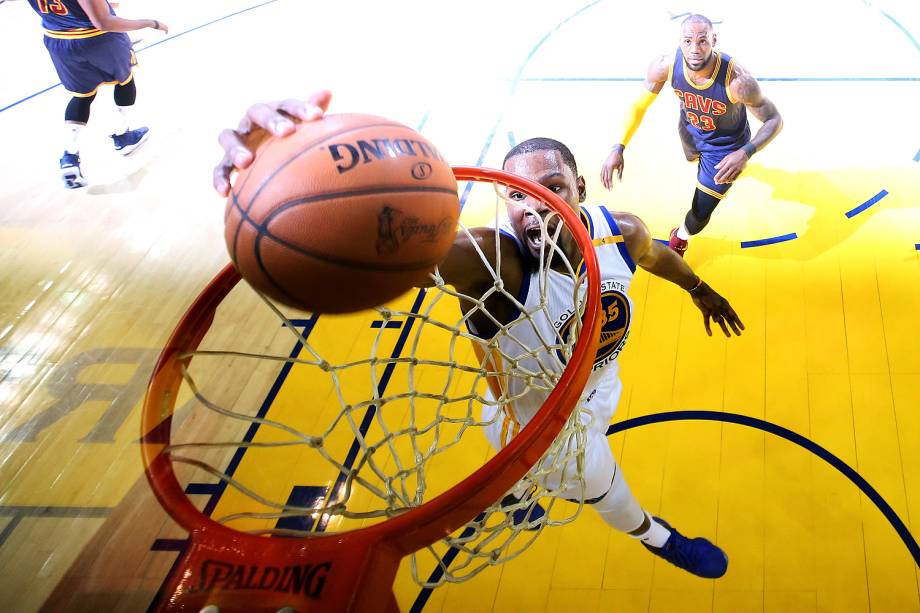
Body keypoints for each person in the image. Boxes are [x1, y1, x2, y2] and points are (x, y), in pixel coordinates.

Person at [212, 91, 745, 579]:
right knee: (606, 490)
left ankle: (515, 492)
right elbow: (405, 254)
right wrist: (291, 173)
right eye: (521, 197)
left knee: (513, 462)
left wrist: (698, 288)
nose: (536, 208)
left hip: (585, 389)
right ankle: (658, 537)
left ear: (579, 189)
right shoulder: (498, 264)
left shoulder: (620, 231)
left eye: (553, 189)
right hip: (547, 431)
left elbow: (654, 257)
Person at [600, 14, 783, 256]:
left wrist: (745, 152)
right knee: (691, 159)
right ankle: (700, 163)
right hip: (689, 129)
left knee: (699, 214)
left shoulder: (738, 81)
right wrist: (618, 147)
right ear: (680, 41)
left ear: (714, 40)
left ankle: (682, 236)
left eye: (702, 41)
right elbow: (639, 107)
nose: (695, 49)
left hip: (725, 148)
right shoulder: (664, 66)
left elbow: (775, 120)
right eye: (688, 41)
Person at [26, 0, 168, 188]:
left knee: (82, 95)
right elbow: (104, 23)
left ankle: (69, 157)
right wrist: (151, 23)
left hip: (58, 41)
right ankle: (123, 136)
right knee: (125, 81)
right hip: (97, 38)